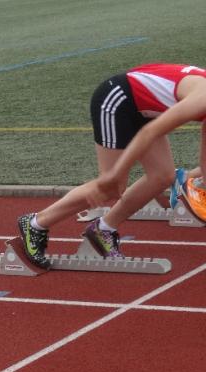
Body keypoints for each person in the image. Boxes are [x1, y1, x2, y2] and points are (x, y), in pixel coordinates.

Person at [16, 63, 206, 269]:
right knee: (111, 187)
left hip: (143, 108)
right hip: (117, 99)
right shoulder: (202, 98)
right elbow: (149, 133)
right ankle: (36, 223)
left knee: (162, 176)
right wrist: (116, 173)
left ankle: (104, 228)